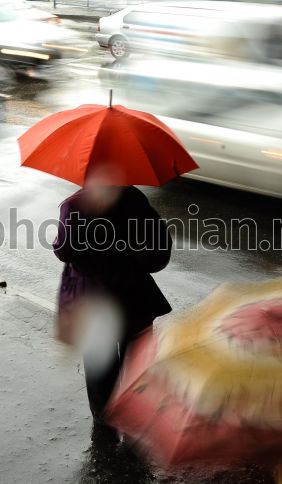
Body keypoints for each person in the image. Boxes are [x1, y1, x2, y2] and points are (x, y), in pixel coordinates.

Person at [52, 171, 172, 421]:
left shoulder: (75, 205)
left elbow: (64, 250)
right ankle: (136, 411)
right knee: (137, 358)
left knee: (100, 363)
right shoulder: (133, 197)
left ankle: (104, 418)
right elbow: (159, 245)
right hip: (135, 294)